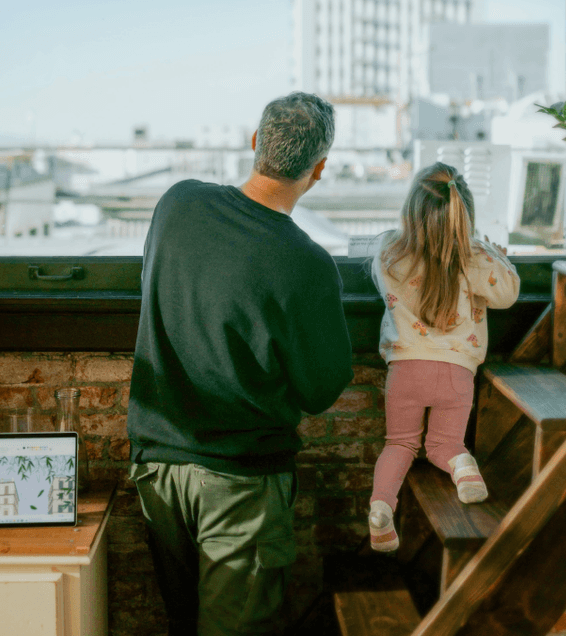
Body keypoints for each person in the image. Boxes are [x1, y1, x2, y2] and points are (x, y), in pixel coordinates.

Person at [126, 92, 354, 635]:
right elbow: (321, 390)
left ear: (256, 143)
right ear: (318, 170)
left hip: (157, 469)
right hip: (240, 481)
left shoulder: (176, 202)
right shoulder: (307, 264)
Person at [367, 162, 520, 552]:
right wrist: (497, 256)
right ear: (463, 212)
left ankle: (381, 509)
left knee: (399, 444)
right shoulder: (476, 256)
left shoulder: (388, 250)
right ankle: (465, 470)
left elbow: (381, 277)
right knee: (445, 444)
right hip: (456, 375)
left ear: (412, 209)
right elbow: (508, 294)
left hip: (405, 371)